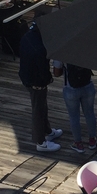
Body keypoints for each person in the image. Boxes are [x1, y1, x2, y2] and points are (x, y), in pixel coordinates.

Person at [18, 14, 62, 153]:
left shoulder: (26, 37)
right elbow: (44, 72)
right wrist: (48, 80)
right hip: (35, 82)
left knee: (42, 106)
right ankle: (41, 142)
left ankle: (48, 132)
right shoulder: (40, 49)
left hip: (25, 76)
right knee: (38, 110)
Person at [52, 61, 97, 153]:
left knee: (74, 117)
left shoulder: (62, 50)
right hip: (88, 86)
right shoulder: (87, 48)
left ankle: (78, 143)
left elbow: (56, 73)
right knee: (90, 114)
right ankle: (92, 140)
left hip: (70, 89)